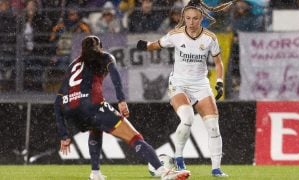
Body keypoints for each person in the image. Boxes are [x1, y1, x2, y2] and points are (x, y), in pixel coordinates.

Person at [54, 35, 191, 180]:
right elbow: (115, 76)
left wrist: (63, 134)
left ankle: (95, 173)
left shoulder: (72, 66)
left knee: (95, 128)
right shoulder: (105, 57)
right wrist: (121, 100)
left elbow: (57, 101)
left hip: (71, 111)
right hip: (92, 106)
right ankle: (163, 171)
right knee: (135, 138)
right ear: (100, 46)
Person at [136, 0, 235, 177]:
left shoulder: (210, 38)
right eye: (188, 18)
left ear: (201, 18)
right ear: (184, 18)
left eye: (195, 18)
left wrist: (219, 81)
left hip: (201, 84)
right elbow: (156, 44)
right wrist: (144, 45)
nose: (191, 22)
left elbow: (218, 62)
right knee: (187, 118)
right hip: (179, 83)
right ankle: (179, 159)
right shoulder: (176, 34)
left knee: (213, 127)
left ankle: (216, 169)